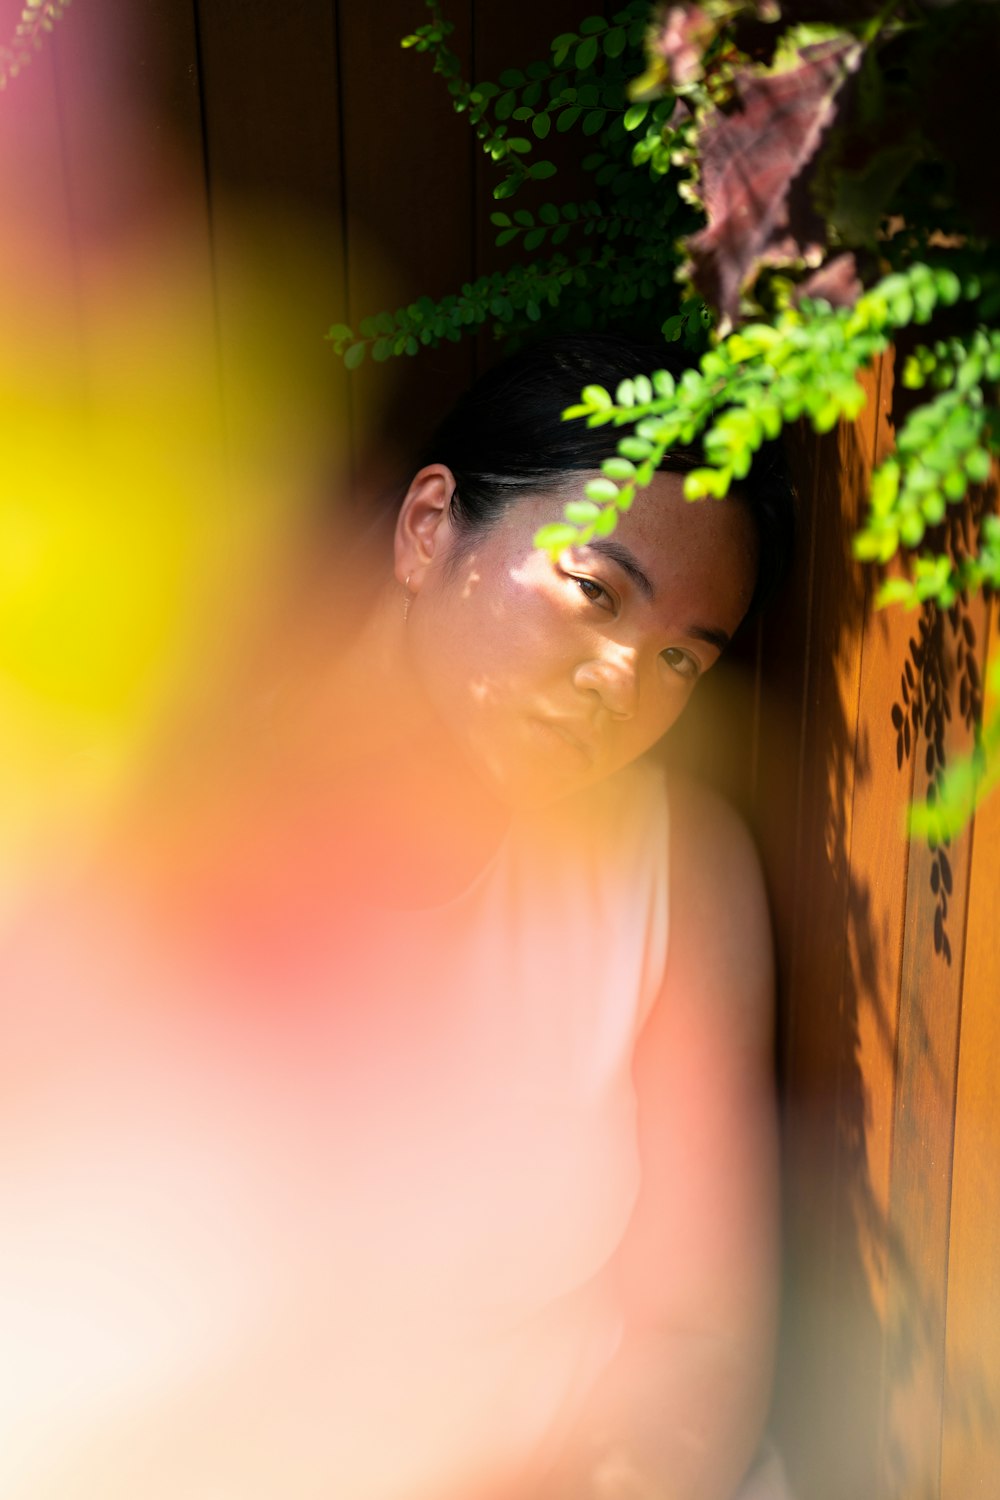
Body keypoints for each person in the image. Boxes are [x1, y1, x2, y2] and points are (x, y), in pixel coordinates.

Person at [0, 336, 794, 1500]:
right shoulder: (135, 809)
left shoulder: (663, 866)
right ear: (430, 528)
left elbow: (694, 1335)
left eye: (680, 658)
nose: (623, 682)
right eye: (593, 592)